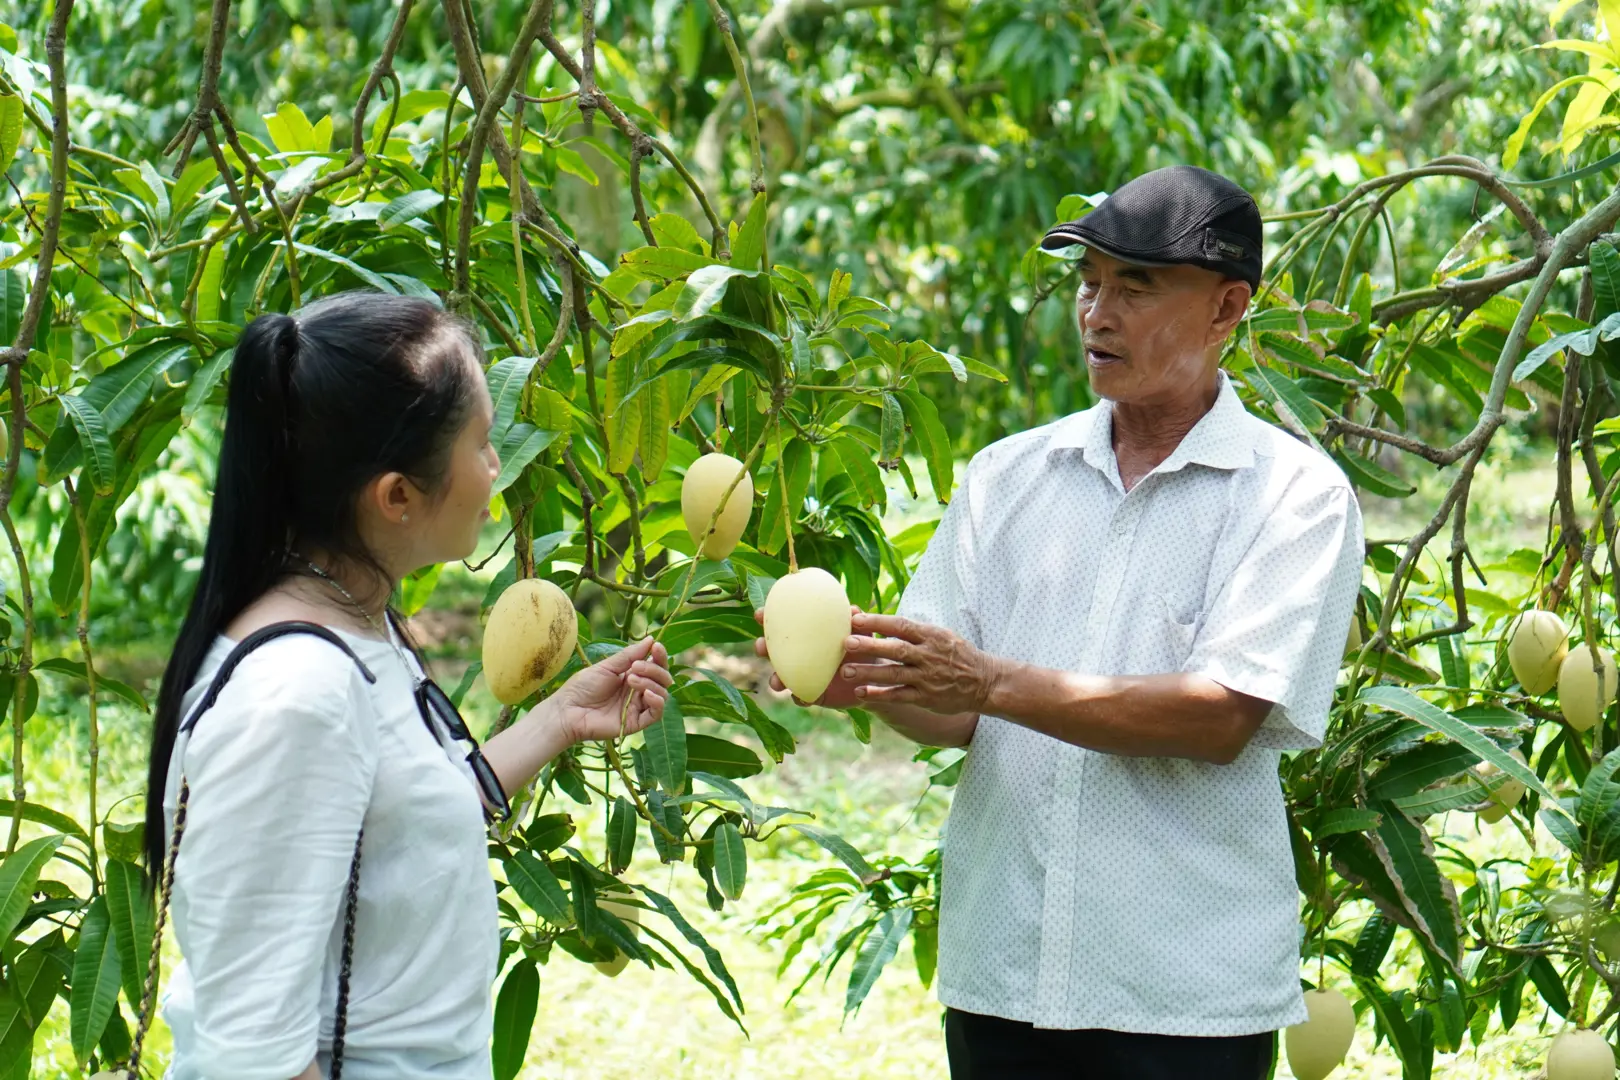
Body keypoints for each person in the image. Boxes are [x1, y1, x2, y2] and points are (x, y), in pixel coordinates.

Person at [756, 165, 1363, 1079]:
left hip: (1185, 997)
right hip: (1006, 974)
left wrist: (992, 680)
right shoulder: (1007, 479)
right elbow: (954, 714)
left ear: (1228, 307)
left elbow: (1218, 717)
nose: (1097, 312)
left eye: (1136, 286)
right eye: (1088, 284)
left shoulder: (1292, 496)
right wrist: (873, 686)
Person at [144, 292, 674, 1080]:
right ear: (396, 496)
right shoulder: (299, 694)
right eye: (483, 444)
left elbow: (393, 828)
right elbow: (251, 1051)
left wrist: (558, 719)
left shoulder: (358, 618)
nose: (498, 467)